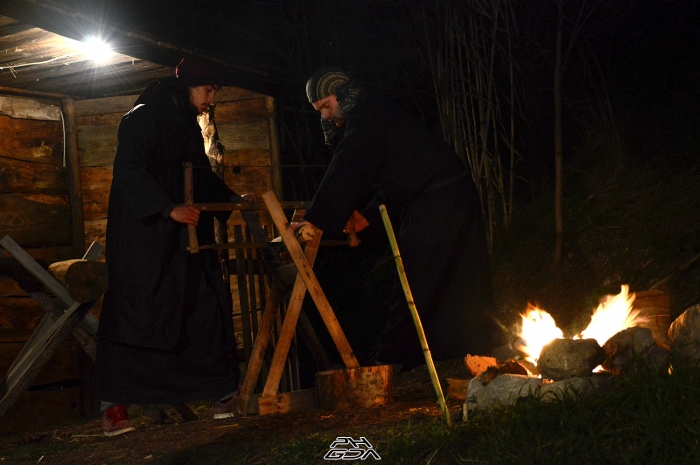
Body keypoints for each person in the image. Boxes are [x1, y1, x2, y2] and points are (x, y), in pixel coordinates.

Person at [294, 67, 502, 372]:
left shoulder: (370, 116)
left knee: (416, 276)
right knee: (445, 277)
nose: (325, 116)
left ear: (344, 94)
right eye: (319, 110)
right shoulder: (374, 114)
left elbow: (348, 167)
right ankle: (460, 350)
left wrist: (316, 219)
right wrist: (366, 219)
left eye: (326, 105)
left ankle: (393, 360)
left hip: (442, 200)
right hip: (445, 196)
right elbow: (400, 176)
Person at [94, 57, 253, 436]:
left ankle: (221, 396)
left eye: (214, 92)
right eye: (208, 90)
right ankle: (115, 408)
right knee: (139, 316)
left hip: (183, 241)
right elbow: (129, 170)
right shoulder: (142, 117)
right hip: (145, 243)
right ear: (188, 87)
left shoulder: (186, 125)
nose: (210, 99)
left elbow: (199, 177)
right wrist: (168, 209)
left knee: (202, 307)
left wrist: (233, 200)